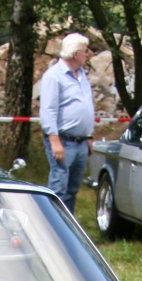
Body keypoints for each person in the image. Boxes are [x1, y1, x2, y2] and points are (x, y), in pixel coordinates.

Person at [38, 33, 95, 207]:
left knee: (72, 189)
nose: (88, 54)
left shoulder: (81, 75)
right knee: (59, 188)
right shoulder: (54, 76)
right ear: (76, 54)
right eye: (85, 51)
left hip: (81, 141)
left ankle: (67, 221)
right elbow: (48, 110)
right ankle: (51, 221)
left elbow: (85, 105)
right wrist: (54, 141)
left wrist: (88, 135)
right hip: (63, 140)